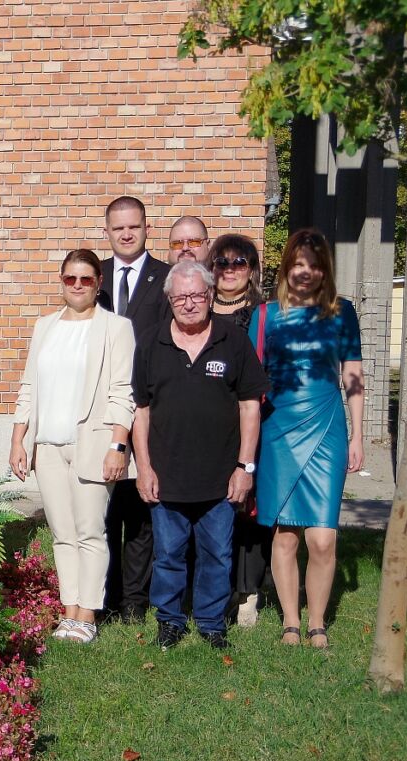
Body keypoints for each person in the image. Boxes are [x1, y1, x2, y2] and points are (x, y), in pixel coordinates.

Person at [132, 259, 268, 651]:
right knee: (168, 555)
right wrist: (144, 468)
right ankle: (170, 621)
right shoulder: (151, 342)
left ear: (209, 295)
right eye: (180, 298)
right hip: (166, 475)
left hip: (220, 476)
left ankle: (211, 623)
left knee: (217, 554)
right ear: (169, 300)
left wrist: (245, 467)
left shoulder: (232, 340)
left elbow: (250, 407)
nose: (189, 304)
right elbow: (141, 410)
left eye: (196, 295)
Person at [10, 249, 135, 644]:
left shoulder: (116, 328)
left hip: (92, 444)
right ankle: (68, 611)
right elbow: (29, 386)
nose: (77, 286)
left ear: (98, 284)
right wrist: (18, 440)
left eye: (86, 279)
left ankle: (88, 615)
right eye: (70, 279)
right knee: (62, 534)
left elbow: (123, 392)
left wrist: (118, 445)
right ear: (61, 281)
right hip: (47, 445)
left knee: (90, 532)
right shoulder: (44, 327)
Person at [249, 229, 364, 648]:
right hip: (278, 430)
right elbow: (250, 382)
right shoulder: (266, 315)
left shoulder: (342, 312)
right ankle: (291, 623)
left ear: (324, 270)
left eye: (314, 265)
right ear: (287, 267)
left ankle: (318, 622)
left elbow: (352, 374)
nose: (305, 272)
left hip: (327, 428)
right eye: (298, 263)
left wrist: (358, 435)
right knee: (285, 535)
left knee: (322, 537)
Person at [97, 196, 172, 623]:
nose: (126, 234)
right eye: (118, 228)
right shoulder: (94, 276)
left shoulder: (165, 277)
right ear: (107, 232)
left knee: (140, 511)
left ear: (146, 228)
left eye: (134, 226)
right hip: (103, 410)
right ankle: (105, 597)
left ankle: (133, 602)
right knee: (105, 509)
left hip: (149, 407)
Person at [207, 233, 271, 626]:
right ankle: (212, 587)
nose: (230, 270)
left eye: (239, 262)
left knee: (246, 506)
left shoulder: (264, 314)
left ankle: (248, 592)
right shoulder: (197, 308)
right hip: (208, 425)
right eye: (222, 262)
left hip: (250, 419)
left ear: (252, 270)